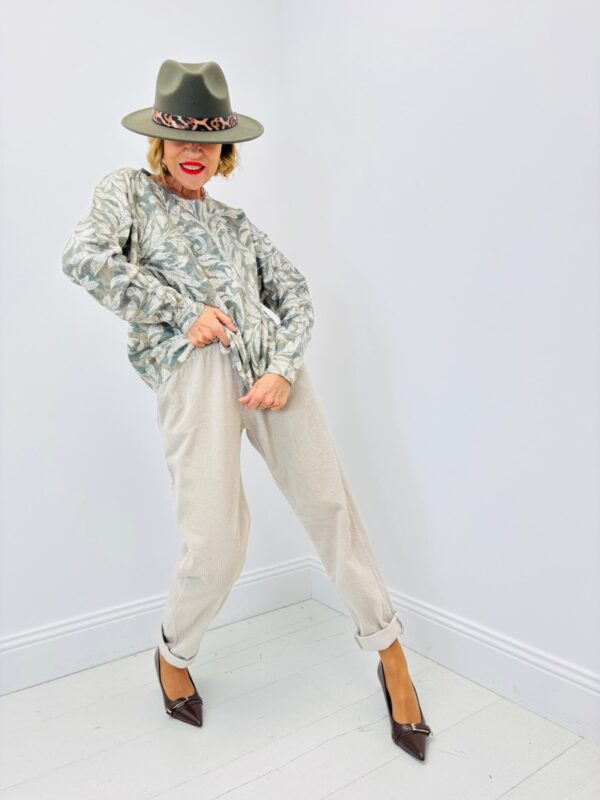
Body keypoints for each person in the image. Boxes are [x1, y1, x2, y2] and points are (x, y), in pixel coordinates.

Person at [61, 59, 432, 760]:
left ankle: (392, 659)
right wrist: (181, 311)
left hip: (272, 372)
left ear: (224, 150)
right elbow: (83, 258)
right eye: (182, 139)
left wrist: (284, 367)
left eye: (208, 142)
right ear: (160, 141)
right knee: (216, 542)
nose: (194, 153)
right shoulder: (128, 193)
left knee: (331, 508)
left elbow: (295, 293)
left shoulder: (236, 223)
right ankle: (174, 651)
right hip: (196, 370)